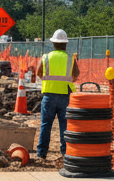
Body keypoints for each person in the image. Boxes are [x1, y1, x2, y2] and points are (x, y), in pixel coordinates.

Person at [33, 28, 79, 160]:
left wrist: (50, 81)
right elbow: (76, 75)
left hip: (49, 95)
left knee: (45, 125)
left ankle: (41, 153)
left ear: (53, 43)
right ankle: (65, 153)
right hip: (65, 95)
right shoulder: (70, 59)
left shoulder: (46, 57)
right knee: (65, 125)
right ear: (65, 44)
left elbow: (39, 73)